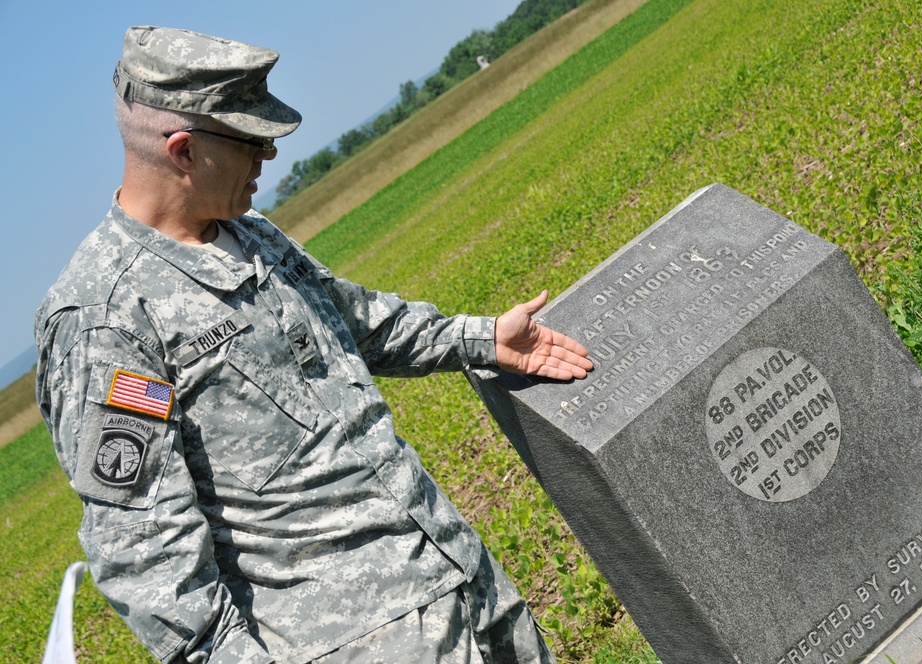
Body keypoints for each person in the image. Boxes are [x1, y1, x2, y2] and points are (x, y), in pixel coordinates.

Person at [34, 26, 592, 664]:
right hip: (358, 644)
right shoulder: (104, 319)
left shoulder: (251, 235)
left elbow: (355, 319)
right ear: (183, 151)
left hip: (460, 580)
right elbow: (141, 546)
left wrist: (482, 338)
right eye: (252, 139)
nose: (269, 156)